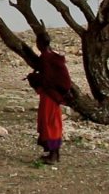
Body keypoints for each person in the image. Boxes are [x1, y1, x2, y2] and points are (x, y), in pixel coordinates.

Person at [26, 33, 72, 165]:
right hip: (54, 95)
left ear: (39, 43)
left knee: (49, 123)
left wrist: (33, 78)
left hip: (49, 95)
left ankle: (52, 156)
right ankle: (55, 154)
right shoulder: (53, 56)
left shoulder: (46, 59)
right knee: (54, 123)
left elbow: (47, 79)